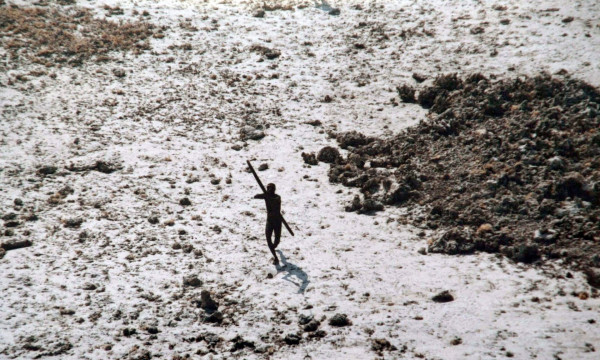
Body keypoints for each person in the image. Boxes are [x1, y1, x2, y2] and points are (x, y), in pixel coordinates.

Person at [253, 183, 282, 265]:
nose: (269, 190)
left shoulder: (277, 197)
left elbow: (275, 201)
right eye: (268, 188)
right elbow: (256, 196)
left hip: (277, 221)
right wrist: (265, 195)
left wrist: (266, 195)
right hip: (269, 221)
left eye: (271, 188)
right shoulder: (266, 196)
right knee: (268, 239)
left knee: (276, 241)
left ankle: (273, 247)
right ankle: (275, 257)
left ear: (274, 189)